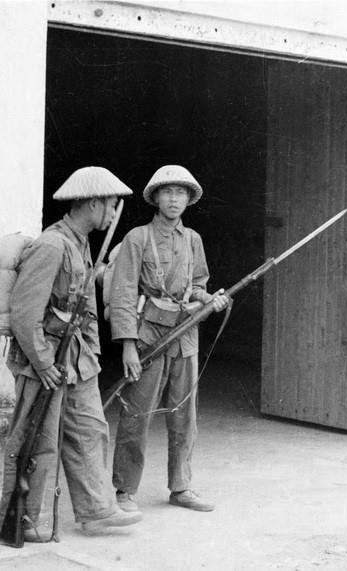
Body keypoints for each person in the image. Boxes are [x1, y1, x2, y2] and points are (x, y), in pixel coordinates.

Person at [1, 166, 143, 541]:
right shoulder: (51, 245)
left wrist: (92, 354)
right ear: (93, 204)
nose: (113, 215)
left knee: (91, 430)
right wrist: (44, 364)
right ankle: (22, 520)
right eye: (111, 206)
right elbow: (24, 314)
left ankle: (97, 509)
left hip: (77, 360)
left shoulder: (80, 243)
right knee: (37, 442)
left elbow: (87, 307)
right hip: (44, 360)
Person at [109, 165, 229, 513]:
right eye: (168, 192)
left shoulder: (193, 239)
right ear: (156, 198)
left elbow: (197, 285)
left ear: (189, 199)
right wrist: (129, 345)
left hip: (185, 336)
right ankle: (124, 490)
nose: (174, 199)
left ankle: (181, 487)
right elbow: (124, 293)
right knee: (137, 414)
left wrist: (208, 299)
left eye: (181, 193)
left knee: (184, 415)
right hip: (149, 336)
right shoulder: (138, 238)